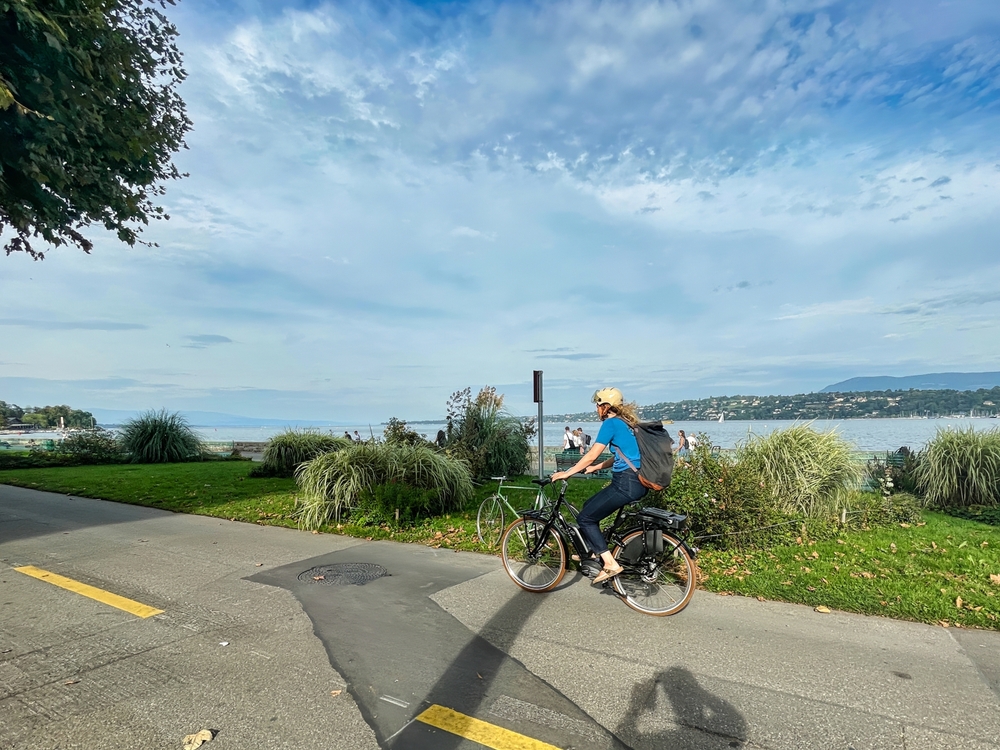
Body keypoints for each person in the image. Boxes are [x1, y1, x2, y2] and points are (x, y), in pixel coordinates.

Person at [551, 387, 647, 584]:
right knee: (588, 505)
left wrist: (567, 473)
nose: (596, 409)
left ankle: (610, 563)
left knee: (585, 518)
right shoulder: (627, 424)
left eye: (598, 405)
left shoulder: (611, 424)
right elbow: (622, 455)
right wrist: (596, 468)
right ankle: (594, 552)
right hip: (638, 480)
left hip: (625, 483)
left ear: (606, 406)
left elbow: (591, 453)